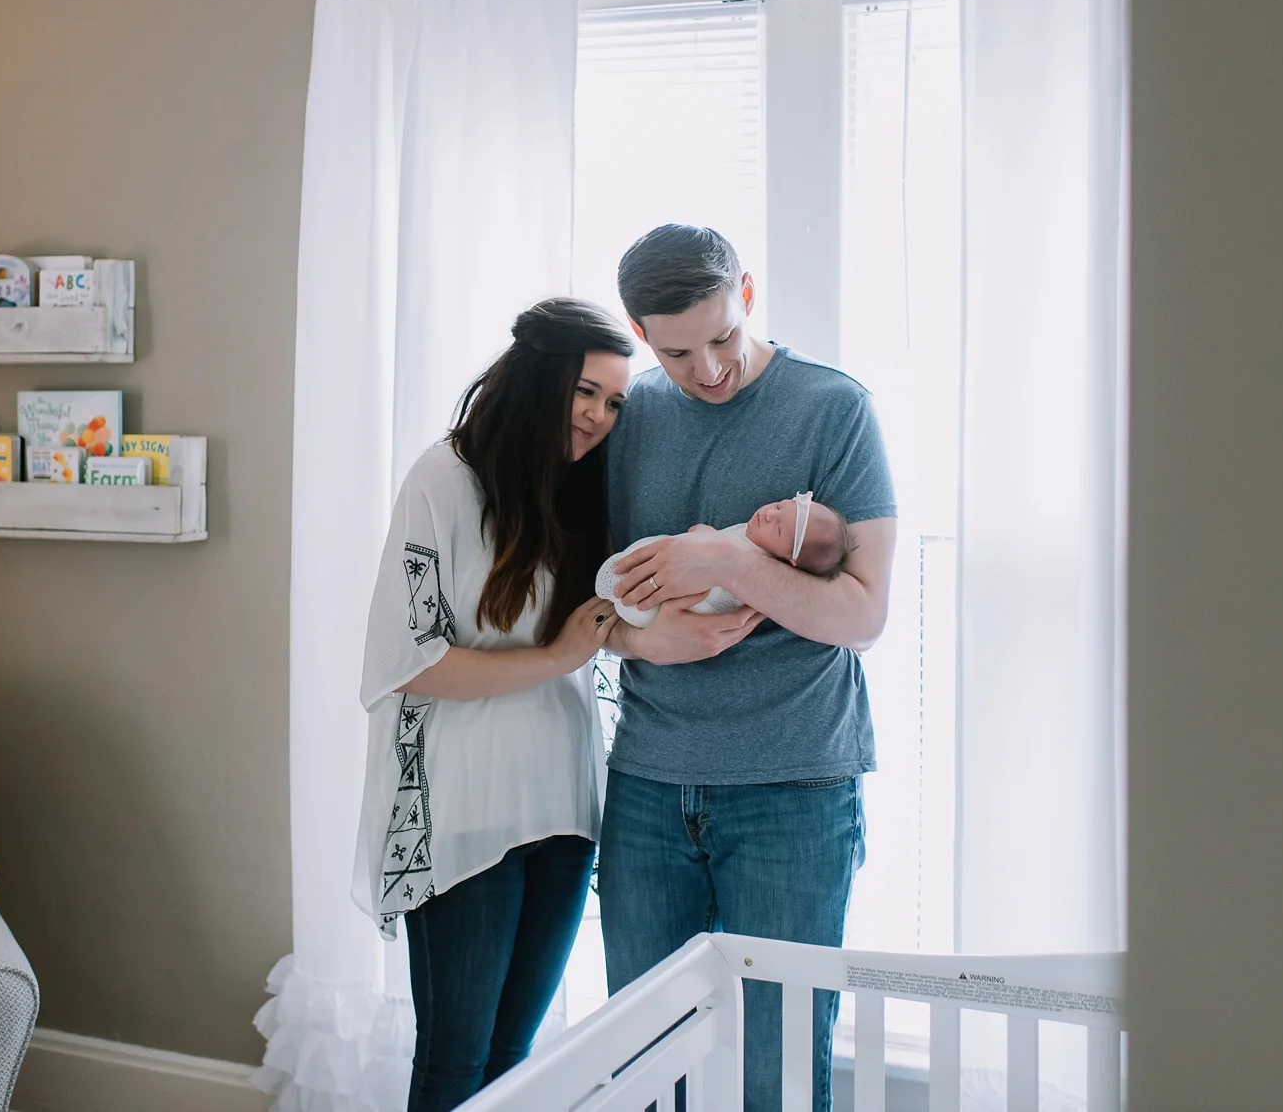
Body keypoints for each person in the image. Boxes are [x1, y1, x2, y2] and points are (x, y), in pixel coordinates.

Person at [598, 225, 898, 1112]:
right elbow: (594, 610)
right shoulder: (631, 418)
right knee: (647, 1067)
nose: (711, 369)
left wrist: (726, 563)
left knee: (774, 1076)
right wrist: (640, 641)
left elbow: (865, 613)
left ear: (749, 294)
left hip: (795, 790)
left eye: (723, 337)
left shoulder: (833, 408)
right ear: (640, 330)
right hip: (650, 784)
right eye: (679, 349)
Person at [353, 296, 635, 1112]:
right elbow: (405, 662)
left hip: (564, 806)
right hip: (465, 812)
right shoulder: (444, 478)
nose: (598, 416)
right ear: (541, 377)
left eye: (615, 402)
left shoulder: (585, 494)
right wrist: (553, 658)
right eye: (587, 391)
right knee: (455, 1061)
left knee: (515, 1062)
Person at [594, 491, 854, 628]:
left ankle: (619, 585)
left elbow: (719, 592)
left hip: (664, 608)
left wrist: (706, 537)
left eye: (778, 528)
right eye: (777, 506)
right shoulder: (754, 534)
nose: (768, 515)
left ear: (789, 561)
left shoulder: (760, 565)